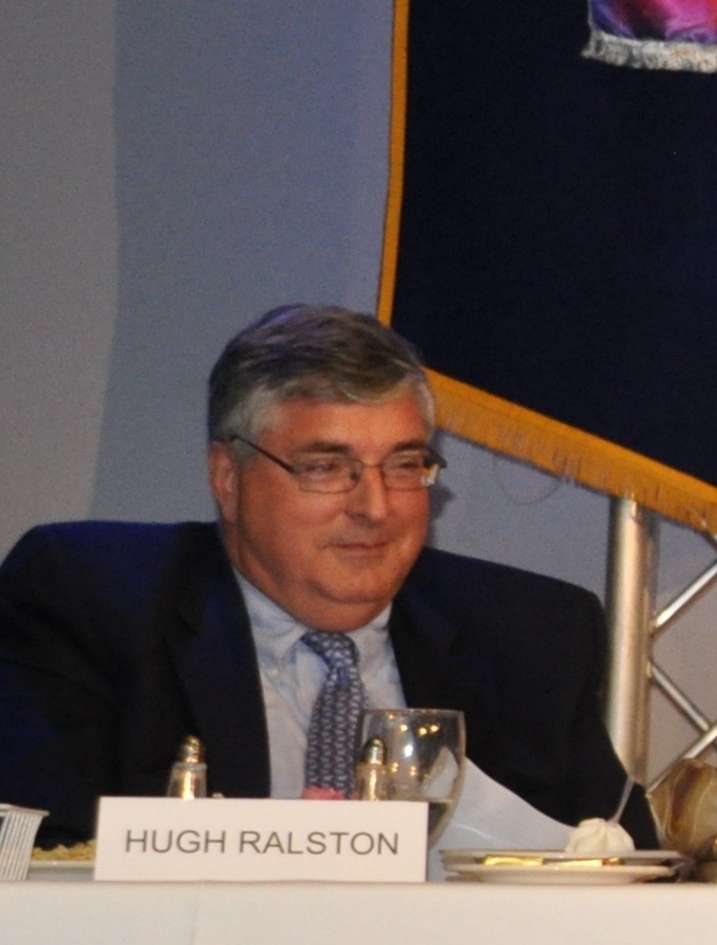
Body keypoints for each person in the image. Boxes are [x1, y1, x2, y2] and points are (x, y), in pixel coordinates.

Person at [0, 305, 644, 842]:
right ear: (228, 478)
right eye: (326, 468)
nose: (375, 508)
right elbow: (47, 857)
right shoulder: (94, 600)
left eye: (404, 465)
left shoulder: (530, 635)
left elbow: (626, 870)